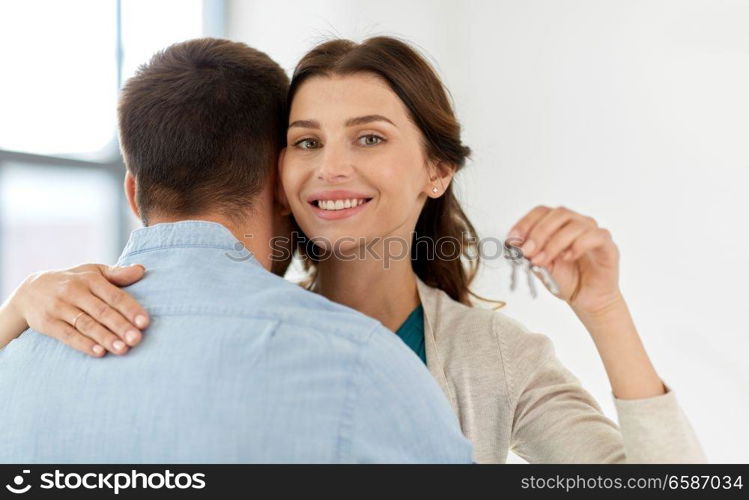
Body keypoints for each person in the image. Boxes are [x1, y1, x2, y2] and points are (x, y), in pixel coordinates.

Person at [1, 36, 706, 463]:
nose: (329, 167)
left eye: (368, 137)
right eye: (305, 141)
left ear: (437, 169)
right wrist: (16, 313)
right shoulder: (223, 331)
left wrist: (604, 309)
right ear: (273, 173)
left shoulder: (492, 358)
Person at [0, 38, 473, 464]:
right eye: (307, 144)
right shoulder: (366, 363)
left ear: (132, 192)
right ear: (279, 182)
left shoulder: (20, 355)